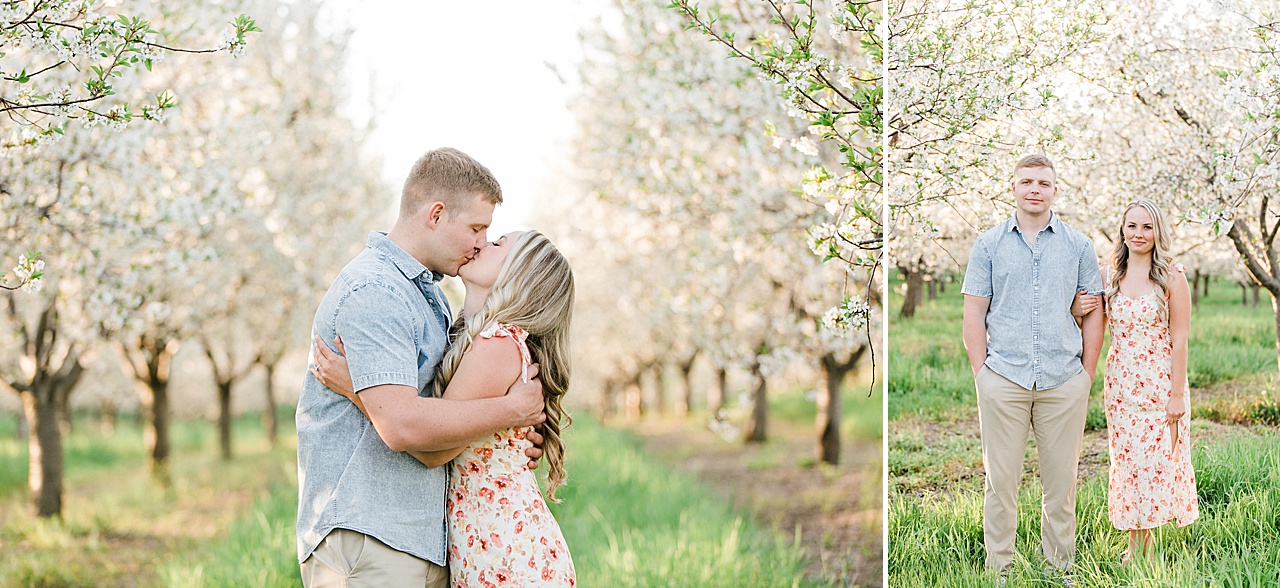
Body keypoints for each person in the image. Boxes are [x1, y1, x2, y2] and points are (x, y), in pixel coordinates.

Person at [296, 148, 549, 588]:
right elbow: (404, 428)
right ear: (435, 214)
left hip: (417, 540)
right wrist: (513, 412)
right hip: (370, 539)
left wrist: (505, 438)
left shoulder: (429, 296)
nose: (479, 243)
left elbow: (445, 410)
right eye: (475, 228)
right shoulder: (376, 291)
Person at [312, 230, 578, 587]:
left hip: (506, 547)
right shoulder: (478, 339)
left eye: (498, 243)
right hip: (492, 541)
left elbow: (432, 449)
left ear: (520, 274)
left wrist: (356, 389)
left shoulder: (497, 344)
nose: (483, 243)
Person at [961, 154, 1105, 581]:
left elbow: (1095, 311)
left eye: (1043, 182)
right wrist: (981, 375)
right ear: (1014, 188)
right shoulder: (988, 245)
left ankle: (1059, 570)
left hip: (1064, 381)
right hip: (1003, 378)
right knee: (1000, 485)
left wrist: (1087, 375)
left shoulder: (1079, 245)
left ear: (1055, 190)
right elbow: (973, 315)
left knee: (1060, 488)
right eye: (1027, 181)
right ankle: (999, 570)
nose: (1035, 189)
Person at [1072, 200, 1198, 563]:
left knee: (1156, 465)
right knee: (1127, 465)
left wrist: (1176, 396)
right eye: (1132, 226)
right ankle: (1134, 549)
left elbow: (1181, 338)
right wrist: (1076, 310)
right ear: (1122, 230)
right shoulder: (1108, 276)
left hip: (1161, 387)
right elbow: (1090, 322)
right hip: (1121, 388)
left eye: (1146, 227)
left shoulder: (1172, 276)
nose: (1138, 234)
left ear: (1157, 231)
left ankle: (1149, 551)